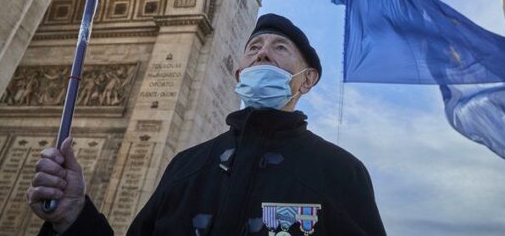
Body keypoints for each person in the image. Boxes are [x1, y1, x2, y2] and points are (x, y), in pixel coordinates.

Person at [28, 13, 387, 235]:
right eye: (254, 47)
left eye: (280, 48)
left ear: (307, 80)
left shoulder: (342, 172)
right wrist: (74, 217)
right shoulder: (186, 164)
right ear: (239, 73)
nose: (262, 51)